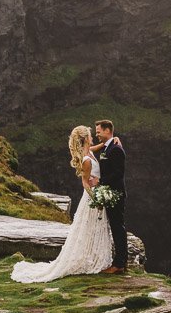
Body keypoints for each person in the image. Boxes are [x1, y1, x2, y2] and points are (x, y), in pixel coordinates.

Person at [11, 126, 112, 282]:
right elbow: (85, 183)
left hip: (97, 192)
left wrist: (112, 141)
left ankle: (91, 255)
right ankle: (90, 258)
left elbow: (96, 147)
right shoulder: (86, 160)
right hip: (92, 197)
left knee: (92, 228)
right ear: (85, 139)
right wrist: (96, 199)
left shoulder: (89, 151)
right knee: (90, 227)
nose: (93, 137)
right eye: (90, 135)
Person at [94, 119, 128, 274]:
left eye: (99, 131)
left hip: (116, 194)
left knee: (117, 227)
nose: (97, 135)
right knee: (114, 227)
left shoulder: (116, 149)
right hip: (108, 194)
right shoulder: (107, 148)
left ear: (107, 130)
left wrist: (100, 181)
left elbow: (118, 174)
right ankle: (118, 261)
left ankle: (120, 263)